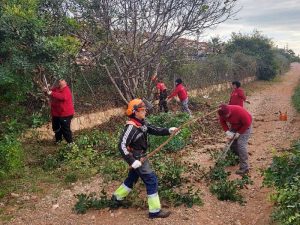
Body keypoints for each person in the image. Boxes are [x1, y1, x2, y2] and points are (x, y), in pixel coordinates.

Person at [111, 98, 178, 219]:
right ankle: (155, 211)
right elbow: (121, 145)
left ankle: (116, 197)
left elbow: (154, 129)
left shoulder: (142, 123)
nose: (145, 112)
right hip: (137, 157)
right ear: (135, 112)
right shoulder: (131, 127)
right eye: (142, 110)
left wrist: (169, 130)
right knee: (151, 180)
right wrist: (132, 161)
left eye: (145, 109)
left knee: (132, 178)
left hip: (141, 156)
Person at [218, 104, 252, 175]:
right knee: (232, 144)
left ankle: (245, 168)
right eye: (224, 116)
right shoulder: (222, 113)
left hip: (245, 127)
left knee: (241, 145)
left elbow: (247, 123)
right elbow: (222, 122)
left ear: (229, 111)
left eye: (227, 115)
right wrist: (227, 131)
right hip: (234, 126)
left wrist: (239, 133)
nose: (226, 117)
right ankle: (236, 159)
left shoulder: (239, 111)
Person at [44, 79, 74, 144]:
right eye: (59, 80)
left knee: (65, 129)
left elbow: (63, 97)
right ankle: (58, 141)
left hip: (65, 114)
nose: (60, 80)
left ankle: (70, 143)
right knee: (56, 127)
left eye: (62, 80)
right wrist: (46, 90)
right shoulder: (57, 89)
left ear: (65, 82)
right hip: (56, 113)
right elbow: (49, 93)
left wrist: (52, 93)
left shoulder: (66, 90)